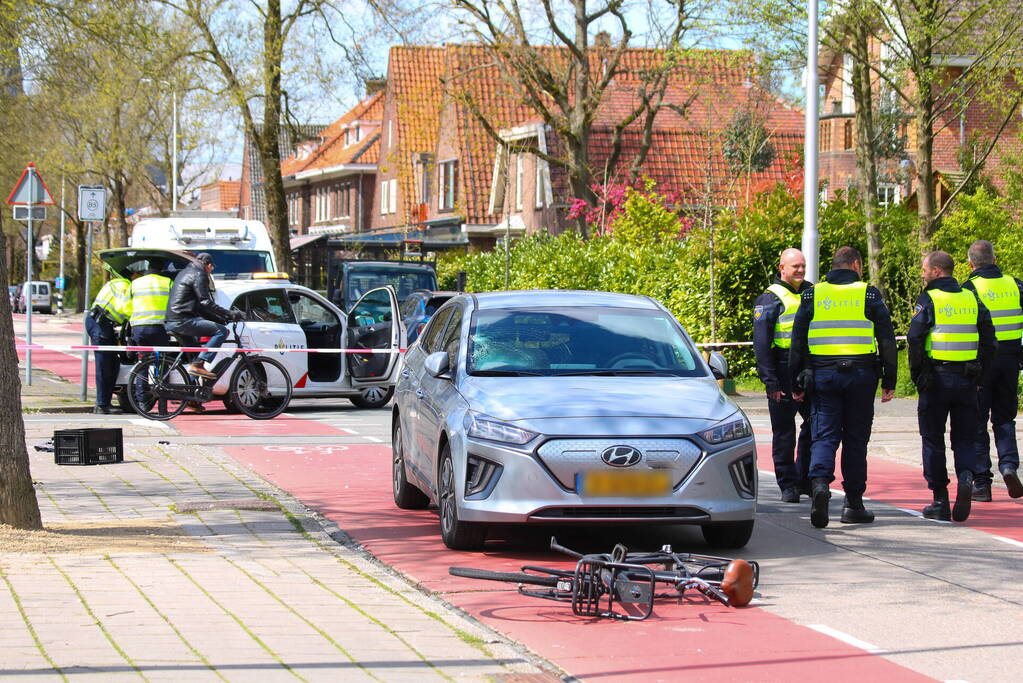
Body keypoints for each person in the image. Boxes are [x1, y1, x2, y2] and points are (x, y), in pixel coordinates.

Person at [789, 246, 898, 528]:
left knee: (824, 434)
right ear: (856, 265)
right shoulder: (869, 293)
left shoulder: (814, 294)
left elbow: (797, 340)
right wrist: (890, 380)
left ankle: (820, 486)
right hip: (861, 376)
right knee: (855, 440)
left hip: (824, 375)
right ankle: (853, 503)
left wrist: (795, 381)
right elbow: (886, 339)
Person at [908, 250, 996, 522]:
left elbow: (914, 337)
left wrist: (918, 376)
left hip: (936, 379)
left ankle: (940, 499)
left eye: (924, 269)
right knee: (965, 438)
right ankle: (967, 477)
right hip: (968, 380)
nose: (922, 274)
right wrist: (980, 375)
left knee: (933, 439)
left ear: (936, 271)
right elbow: (990, 340)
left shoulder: (930, 298)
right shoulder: (971, 297)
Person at [961, 240, 1023, 500]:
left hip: (981, 364)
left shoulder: (969, 289)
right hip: (1010, 362)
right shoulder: (1015, 284)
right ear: (995, 260)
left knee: (977, 422)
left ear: (970, 264)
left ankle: (982, 483)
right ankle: (1008, 465)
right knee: (1005, 418)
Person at [752, 248, 813, 503]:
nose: (800, 270)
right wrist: (771, 381)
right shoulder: (769, 298)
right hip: (782, 367)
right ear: (782, 268)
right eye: (794, 266)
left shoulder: (812, 292)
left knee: (815, 427)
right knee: (784, 431)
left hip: (809, 368)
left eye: (802, 265)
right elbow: (762, 344)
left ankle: (805, 479)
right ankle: (788, 484)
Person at [164, 252, 243, 379]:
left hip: (172, 321)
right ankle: (199, 364)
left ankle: (189, 394)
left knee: (196, 356)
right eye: (212, 268)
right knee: (222, 331)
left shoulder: (184, 272)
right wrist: (229, 313)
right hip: (183, 320)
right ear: (209, 265)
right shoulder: (199, 273)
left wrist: (220, 318)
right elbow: (205, 302)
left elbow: (200, 307)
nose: (211, 271)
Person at [86, 270, 132, 415]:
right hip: (101, 324)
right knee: (104, 366)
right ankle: (101, 405)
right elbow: (124, 308)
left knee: (112, 364)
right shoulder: (124, 286)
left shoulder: (114, 283)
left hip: (100, 322)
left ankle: (104, 402)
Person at [129, 261, 173, 348]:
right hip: (160, 327)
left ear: (148, 268)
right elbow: (175, 302)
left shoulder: (134, 283)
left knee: (144, 358)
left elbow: (127, 304)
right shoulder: (168, 282)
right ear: (161, 270)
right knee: (160, 357)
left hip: (138, 326)